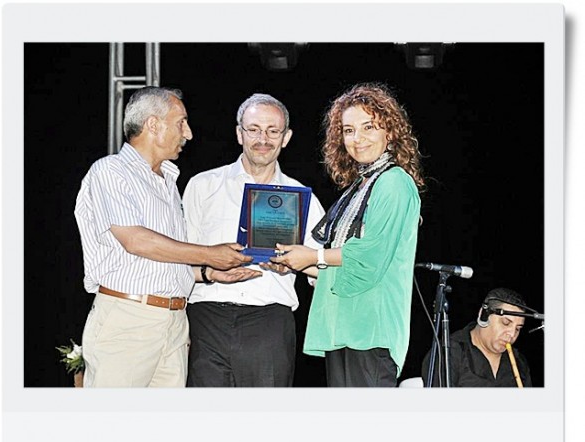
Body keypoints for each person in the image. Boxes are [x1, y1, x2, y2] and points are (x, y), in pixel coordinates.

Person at [74, 86, 256, 388]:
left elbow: (161, 262)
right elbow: (136, 241)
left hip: (174, 323)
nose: (189, 134)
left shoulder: (168, 181)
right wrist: (209, 254)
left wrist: (208, 273)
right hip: (129, 321)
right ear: (153, 124)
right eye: (181, 123)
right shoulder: (110, 171)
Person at [271, 83, 424, 387]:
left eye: (368, 127)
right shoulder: (359, 186)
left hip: (371, 330)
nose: (358, 138)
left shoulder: (393, 182)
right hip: (344, 326)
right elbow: (344, 266)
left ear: (389, 132)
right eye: (349, 130)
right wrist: (296, 262)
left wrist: (311, 256)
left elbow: (368, 257)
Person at [182, 93, 325, 387]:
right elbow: (180, 257)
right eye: (254, 129)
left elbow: (322, 270)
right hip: (206, 317)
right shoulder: (203, 185)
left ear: (286, 137)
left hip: (269, 323)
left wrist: (295, 264)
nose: (263, 139)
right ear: (239, 133)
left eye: (273, 131)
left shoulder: (302, 199)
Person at [421, 288, 533, 387]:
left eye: (518, 328)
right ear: (483, 315)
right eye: (505, 323)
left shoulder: (520, 363)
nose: (512, 334)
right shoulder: (447, 353)